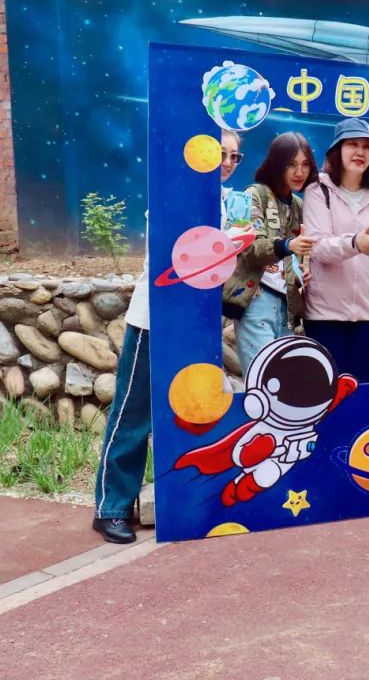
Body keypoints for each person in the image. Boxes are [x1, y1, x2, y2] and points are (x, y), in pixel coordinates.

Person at [91, 130, 248, 543]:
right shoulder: (171, 191)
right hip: (155, 321)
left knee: (193, 411)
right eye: (220, 153)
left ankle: (189, 503)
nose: (227, 162)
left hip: (198, 325)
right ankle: (111, 507)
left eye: (234, 156)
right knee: (134, 412)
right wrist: (226, 244)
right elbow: (176, 255)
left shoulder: (228, 202)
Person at [303, 118, 369, 383]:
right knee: (325, 392)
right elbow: (318, 246)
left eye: (367, 147)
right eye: (352, 144)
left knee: (364, 391)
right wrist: (355, 244)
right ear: (337, 150)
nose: (360, 152)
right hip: (324, 314)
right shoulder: (317, 190)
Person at [222, 132, 317, 374]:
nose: (299, 172)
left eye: (305, 164)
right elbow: (249, 248)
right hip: (255, 300)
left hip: (288, 306)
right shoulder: (254, 194)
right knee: (262, 379)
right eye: (291, 164)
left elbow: (301, 255)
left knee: (283, 383)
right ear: (276, 163)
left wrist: (304, 269)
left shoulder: (299, 205)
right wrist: (287, 246)